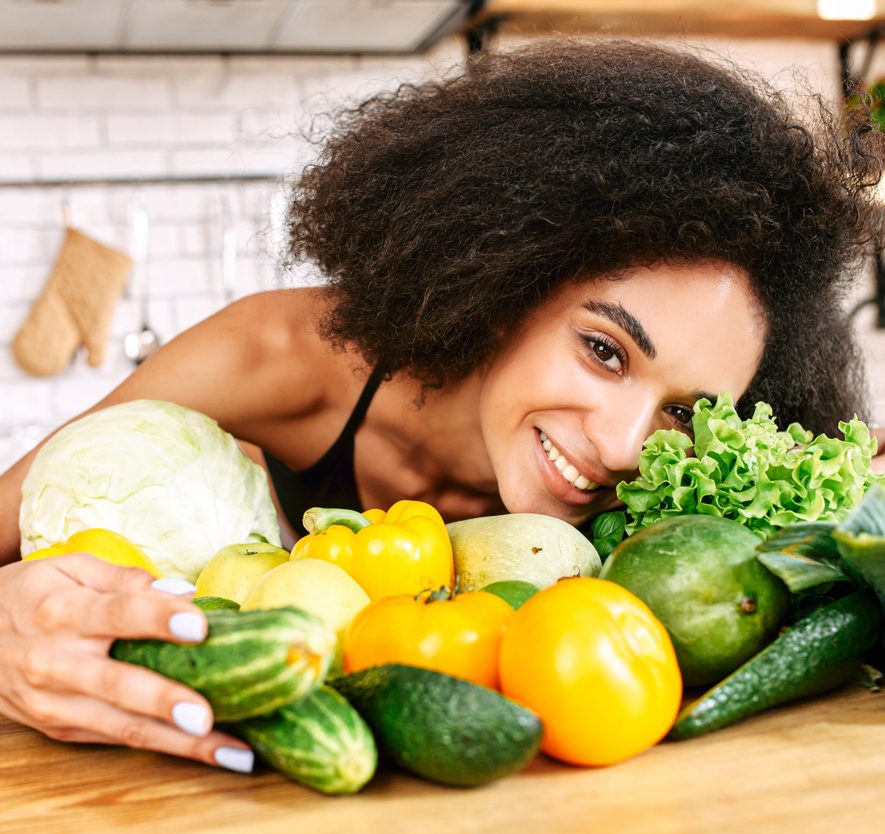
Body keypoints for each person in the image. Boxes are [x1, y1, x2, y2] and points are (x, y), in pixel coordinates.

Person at [0, 39, 883, 772]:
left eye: (685, 413)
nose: (621, 447)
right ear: (509, 269)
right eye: (603, 350)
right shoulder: (275, 355)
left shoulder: (682, 513)